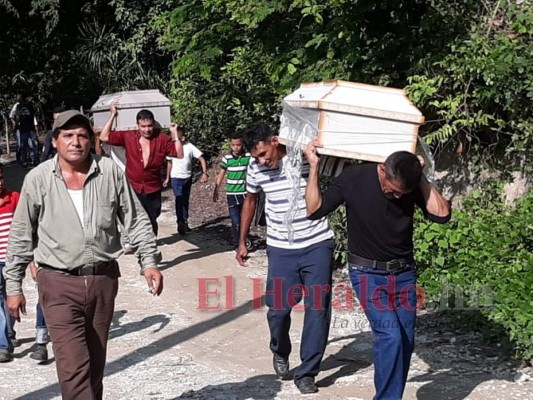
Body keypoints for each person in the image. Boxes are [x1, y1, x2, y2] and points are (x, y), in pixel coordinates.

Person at [3, 110, 163, 399]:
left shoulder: (110, 172)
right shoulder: (38, 179)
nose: (75, 142)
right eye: (67, 136)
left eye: (82, 136)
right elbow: (21, 235)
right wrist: (13, 286)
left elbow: (135, 219)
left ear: (91, 140)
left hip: (103, 280)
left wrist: (148, 261)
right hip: (58, 283)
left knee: (94, 365)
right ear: (54, 141)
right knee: (74, 367)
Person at [304, 139, 451, 400]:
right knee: (390, 335)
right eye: (392, 191)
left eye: (401, 194)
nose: (396, 197)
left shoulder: (408, 184)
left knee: (405, 341)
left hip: (405, 273)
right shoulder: (353, 178)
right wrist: (314, 166)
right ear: (382, 169)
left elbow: (441, 215)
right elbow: (315, 210)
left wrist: (420, 176)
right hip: (367, 273)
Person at [236, 124, 335, 394]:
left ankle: (307, 372)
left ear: (274, 141)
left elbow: (340, 163)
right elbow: (251, 201)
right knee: (278, 309)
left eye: (264, 154)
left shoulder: (304, 156)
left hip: (317, 242)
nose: (261, 160)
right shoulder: (255, 168)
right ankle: (280, 350)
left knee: (318, 308)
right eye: (256, 157)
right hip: (281, 247)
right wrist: (242, 241)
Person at [99, 102, 184, 237]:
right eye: (143, 126)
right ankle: (140, 243)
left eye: (149, 126)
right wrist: (112, 115)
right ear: (137, 125)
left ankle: (150, 240)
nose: (146, 129)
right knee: (133, 216)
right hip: (132, 185)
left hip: (152, 186)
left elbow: (179, 154)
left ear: (153, 124)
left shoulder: (162, 138)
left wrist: (175, 135)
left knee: (153, 215)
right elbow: (103, 137)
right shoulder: (129, 136)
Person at [164, 126, 208, 235]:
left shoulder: (190, 147)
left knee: (185, 200)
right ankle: (180, 221)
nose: (174, 140)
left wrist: (204, 173)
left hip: (187, 178)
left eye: (176, 138)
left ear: (182, 138)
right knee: (179, 199)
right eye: (173, 138)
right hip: (176, 178)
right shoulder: (171, 148)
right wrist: (167, 177)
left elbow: (201, 158)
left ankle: (185, 221)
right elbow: (169, 163)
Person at [213, 132, 252, 247]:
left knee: (245, 218)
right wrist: (216, 189)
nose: (236, 147)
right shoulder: (227, 159)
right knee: (235, 221)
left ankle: (244, 239)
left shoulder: (248, 157)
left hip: (245, 193)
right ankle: (237, 242)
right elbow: (221, 174)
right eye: (233, 145)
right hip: (232, 194)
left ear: (242, 144)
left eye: (238, 145)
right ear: (230, 145)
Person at [0, 166, 19, 362]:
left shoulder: (14, 198)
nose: (0, 182)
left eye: (1, 177)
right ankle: (3, 343)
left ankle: (8, 330)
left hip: (12, 259)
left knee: (10, 297)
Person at [11, 95, 40, 166]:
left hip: (29, 128)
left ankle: (32, 159)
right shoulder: (19, 107)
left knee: (31, 145)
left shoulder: (28, 106)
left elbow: (32, 116)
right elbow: (17, 117)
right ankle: (27, 160)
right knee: (26, 145)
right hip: (25, 128)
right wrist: (16, 125)